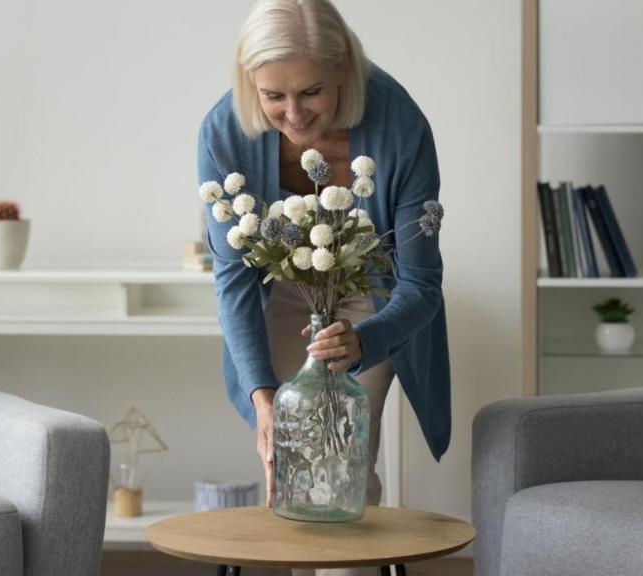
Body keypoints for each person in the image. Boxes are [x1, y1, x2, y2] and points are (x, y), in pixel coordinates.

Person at [198, 1, 450, 572]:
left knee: (344, 463)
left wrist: (365, 341)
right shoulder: (223, 130)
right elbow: (235, 276)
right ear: (249, 83)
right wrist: (262, 394)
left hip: (372, 290)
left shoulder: (400, 124)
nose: (293, 115)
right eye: (273, 96)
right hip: (274, 290)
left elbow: (421, 282)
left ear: (343, 68)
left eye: (310, 92)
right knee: (290, 461)